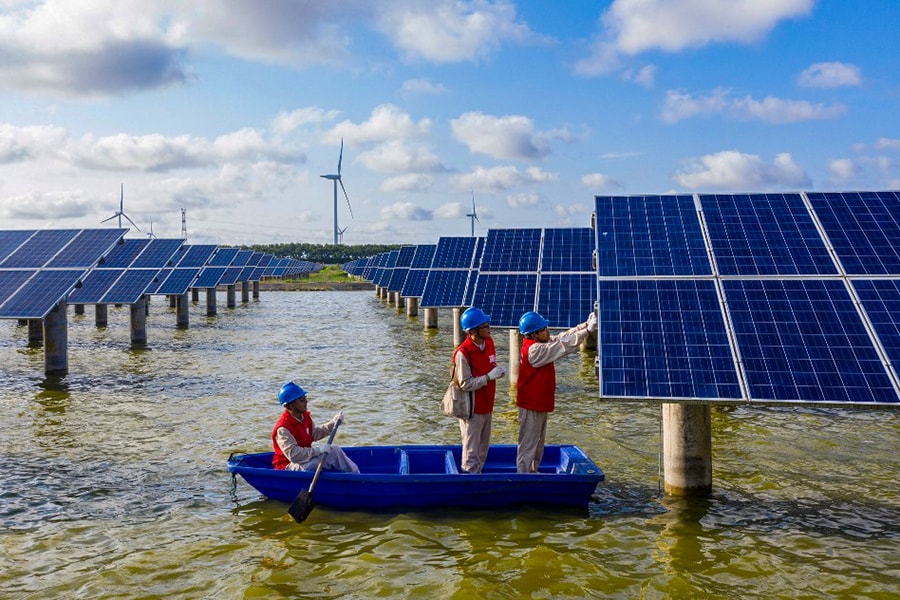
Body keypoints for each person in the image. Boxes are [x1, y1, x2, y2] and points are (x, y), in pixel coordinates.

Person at [516, 310, 597, 473]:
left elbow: (560, 338)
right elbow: (563, 346)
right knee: (528, 445)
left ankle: (533, 473)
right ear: (534, 334)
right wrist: (587, 332)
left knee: (537, 443)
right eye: (544, 328)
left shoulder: (539, 343)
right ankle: (523, 476)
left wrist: (584, 326)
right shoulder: (534, 351)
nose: (548, 330)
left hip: (538, 403)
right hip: (531, 405)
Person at [453, 307, 507, 473]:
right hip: (472, 410)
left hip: (487, 405)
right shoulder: (463, 353)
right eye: (484, 326)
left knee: (483, 449)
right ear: (473, 331)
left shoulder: (489, 342)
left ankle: (478, 478)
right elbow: (465, 384)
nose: (488, 329)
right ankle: (469, 483)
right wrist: (489, 377)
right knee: (471, 451)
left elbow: (489, 364)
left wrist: (496, 370)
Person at [271, 381, 360, 473]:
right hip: (288, 466)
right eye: (302, 400)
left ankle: (356, 475)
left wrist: (333, 423)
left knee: (335, 450)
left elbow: (314, 434)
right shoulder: (283, 428)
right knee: (325, 457)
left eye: (305, 399)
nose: (306, 402)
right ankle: (356, 480)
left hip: (304, 460)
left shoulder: (304, 417)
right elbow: (294, 455)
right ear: (290, 406)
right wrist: (318, 450)